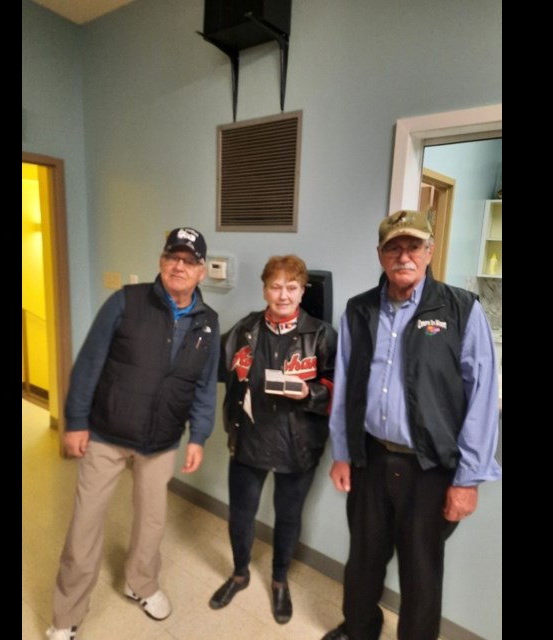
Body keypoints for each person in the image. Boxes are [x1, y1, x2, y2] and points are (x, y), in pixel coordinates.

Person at [322, 211, 501, 640]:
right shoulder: (359, 309)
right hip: (370, 459)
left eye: (413, 246)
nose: (404, 256)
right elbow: (345, 383)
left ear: (430, 251)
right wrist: (343, 453)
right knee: (363, 558)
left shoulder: (460, 308)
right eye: (393, 247)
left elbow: (483, 397)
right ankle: (359, 629)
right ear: (380, 254)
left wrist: (469, 478)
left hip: (430, 468)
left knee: (421, 571)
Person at [46, 227, 220, 640]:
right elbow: (89, 364)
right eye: (172, 257)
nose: (179, 265)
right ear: (161, 262)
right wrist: (75, 422)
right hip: (106, 434)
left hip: (160, 442)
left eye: (189, 260)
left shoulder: (208, 324)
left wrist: (199, 436)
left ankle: (140, 584)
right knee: (85, 526)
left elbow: (204, 386)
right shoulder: (125, 302)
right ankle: (66, 616)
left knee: (152, 522)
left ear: (201, 273)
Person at [210, 255, 337, 624]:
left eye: (292, 287)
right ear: (265, 289)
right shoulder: (244, 330)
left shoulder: (322, 334)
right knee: (241, 515)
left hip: (299, 445)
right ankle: (239, 573)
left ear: (302, 292)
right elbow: (213, 367)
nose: (283, 295)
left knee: (288, 517)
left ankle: (280, 581)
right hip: (249, 439)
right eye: (276, 286)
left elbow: (338, 392)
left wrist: (309, 393)